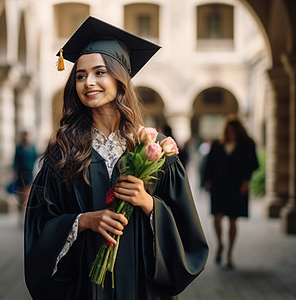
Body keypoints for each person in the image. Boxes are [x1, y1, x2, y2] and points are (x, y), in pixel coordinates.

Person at [24, 16, 208, 299]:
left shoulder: (155, 148)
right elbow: (39, 226)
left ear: (119, 78)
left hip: (141, 286)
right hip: (84, 286)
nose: (89, 83)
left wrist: (149, 205)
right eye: (81, 76)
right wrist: (81, 221)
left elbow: (188, 231)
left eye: (100, 73)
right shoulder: (64, 151)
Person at [203, 115, 258, 269]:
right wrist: (207, 181)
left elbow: (253, 164)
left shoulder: (247, 146)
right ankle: (220, 244)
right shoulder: (217, 145)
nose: (230, 133)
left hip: (236, 186)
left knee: (233, 219)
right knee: (217, 218)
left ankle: (229, 254)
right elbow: (208, 165)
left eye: (233, 130)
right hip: (219, 186)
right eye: (228, 130)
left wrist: (246, 181)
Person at [13, 131, 38, 222]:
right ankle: (21, 214)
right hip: (21, 174)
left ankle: (25, 216)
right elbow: (15, 161)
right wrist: (14, 173)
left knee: (27, 195)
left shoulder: (33, 148)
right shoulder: (19, 148)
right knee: (20, 196)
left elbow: (37, 160)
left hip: (29, 174)